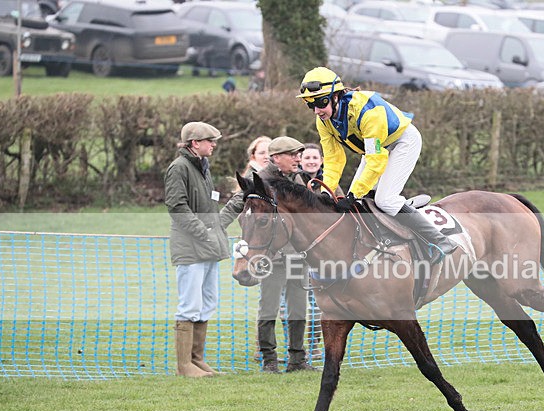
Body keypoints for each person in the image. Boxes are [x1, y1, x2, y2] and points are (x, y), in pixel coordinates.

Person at [296, 66, 457, 265]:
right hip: (375, 150)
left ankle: (440, 240)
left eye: (321, 102)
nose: (317, 110)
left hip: (402, 142)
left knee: (384, 200)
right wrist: (326, 192)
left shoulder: (367, 111)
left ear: (336, 95)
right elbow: (333, 160)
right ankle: (382, 240)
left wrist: (353, 193)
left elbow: (376, 159)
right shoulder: (323, 121)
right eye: (310, 105)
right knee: (360, 200)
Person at [165, 121, 244, 377]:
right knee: (189, 304)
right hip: (190, 248)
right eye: (210, 140)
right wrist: (204, 234)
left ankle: (197, 360)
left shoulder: (203, 167)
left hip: (207, 247)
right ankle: (184, 366)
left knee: (207, 301)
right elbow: (177, 208)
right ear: (194, 143)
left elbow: (209, 209)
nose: (214, 144)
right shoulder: (178, 168)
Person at [253, 136, 318, 373]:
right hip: (273, 256)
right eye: (293, 155)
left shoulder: (297, 177)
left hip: (298, 255)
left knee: (299, 309)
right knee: (268, 308)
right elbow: (241, 206)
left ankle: (297, 360)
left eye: (298, 154)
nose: (297, 159)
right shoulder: (262, 180)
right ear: (277, 157)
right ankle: (269, 360)